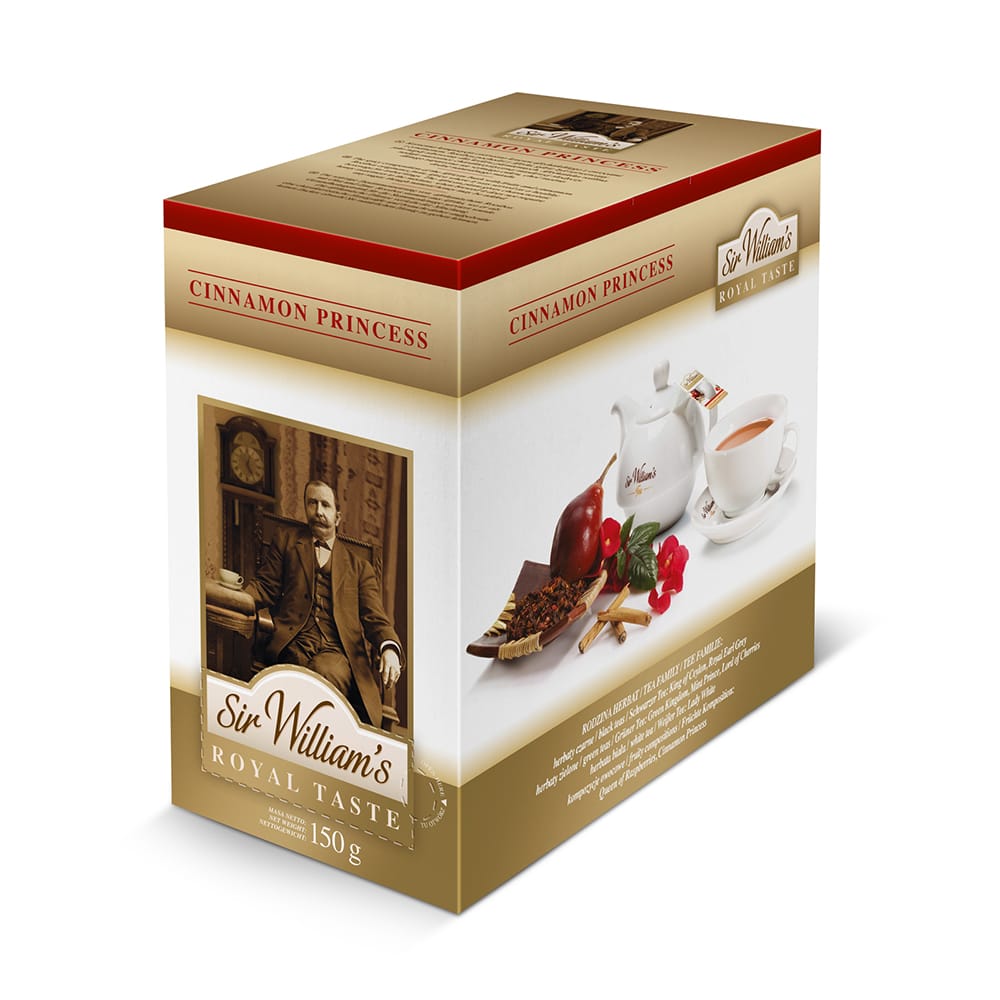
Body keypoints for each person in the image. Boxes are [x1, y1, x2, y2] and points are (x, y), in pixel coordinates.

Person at [244, 480, 404, 728]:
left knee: (325, 674)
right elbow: (265, 587)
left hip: (336, 651)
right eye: (312, 503)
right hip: (293, 640)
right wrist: (237, 597)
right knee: (295, 671)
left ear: (337, 517)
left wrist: (389, 648)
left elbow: (375, 618)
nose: (318, 511)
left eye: (325, 505)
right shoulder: (286, 542)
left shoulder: (360, 568)